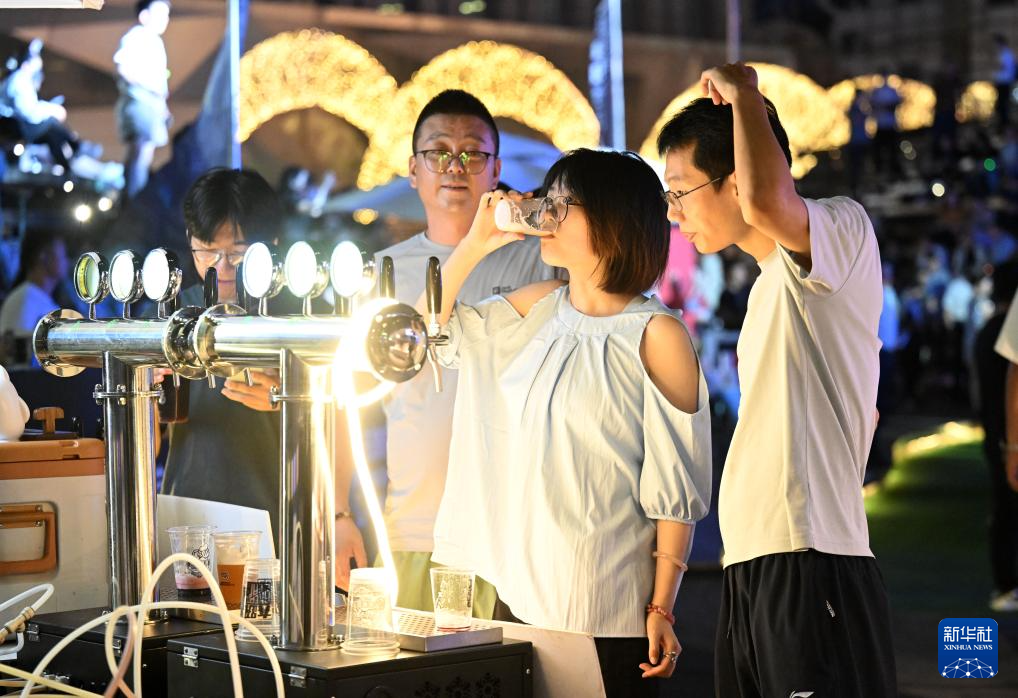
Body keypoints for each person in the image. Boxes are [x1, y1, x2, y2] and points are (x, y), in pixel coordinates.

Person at [427, 149, 711, 696]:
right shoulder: (538, 307)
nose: (546, 215)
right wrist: (475, 244)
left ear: (613, 220)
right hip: (518, 595)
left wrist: (662, 608)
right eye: (548, 201)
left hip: (605, 608)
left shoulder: (656, 334)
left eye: (562, 204)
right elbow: (430, 334)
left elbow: (676, 488)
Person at [656, 63, 895, 697]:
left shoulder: (842, 228)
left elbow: (767, 202)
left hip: (812, 560)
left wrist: (744, 93)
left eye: (680, 191)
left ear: (736, 179)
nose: (674, 213)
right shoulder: (768, 287)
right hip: (755, 561)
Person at [333, 90, 558, 614]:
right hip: (414, 527)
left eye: (472, 153)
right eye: (438, 152)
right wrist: (339, 514)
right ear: (414, 169)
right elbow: (344, 402)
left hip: (516, 532)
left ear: (495, 169)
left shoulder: (542, 260)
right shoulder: (380, 272)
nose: (455, 166)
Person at [159, 168, 288, 537]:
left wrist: (288, 398)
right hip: (188, 516)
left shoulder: (297, 316)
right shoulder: (174, 317)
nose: (222, 265)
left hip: (278, 514)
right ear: (191, 241)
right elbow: (148, 442)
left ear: (272, 244)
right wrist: (146, 399)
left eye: (238, 253)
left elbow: (340, 426)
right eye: (207, 250)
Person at [977, 260, 1018, 611]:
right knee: (1006, 511)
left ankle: (1005, 583)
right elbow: (1012, 378)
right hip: (1007, 435)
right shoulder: (1001, 331)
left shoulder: (987, 330)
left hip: (996, 430)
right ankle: (1006, 583)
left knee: (1004, 510)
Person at [114, 0, 171, 198]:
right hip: (139, 103)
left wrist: (163, 106)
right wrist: (151, 88)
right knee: (139, 153)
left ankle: (132, 200)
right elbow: (123, 68)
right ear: (144, 16)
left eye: (166, 15)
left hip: (151, 106)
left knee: (143, 156)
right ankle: (132, 201)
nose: (165, 19)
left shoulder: (155, 41)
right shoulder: (137, 36)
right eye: (160, 13)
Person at [1, 39, 78, 171]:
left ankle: (71, 157)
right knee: (53, 127)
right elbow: (29, 113)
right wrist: (52, 110)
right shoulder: (20, 80)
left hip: (18, 127)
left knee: (54, 130)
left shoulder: (21, 79)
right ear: (26, 64)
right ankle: (70, 160)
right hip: (15, 129)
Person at [0, 229, 67, 337]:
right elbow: (19, 347)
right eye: (62, 255)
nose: (66, 261)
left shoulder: (37, 299)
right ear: (43, 256)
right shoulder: (26, 302)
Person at [994, 34, 1016, 128]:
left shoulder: (1007, 55)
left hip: (1004, 84)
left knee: (1003, 107)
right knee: (1001, 106)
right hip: (1002, 83)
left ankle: (1004, 125)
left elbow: (1008, 72)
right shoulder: (1003, 54)